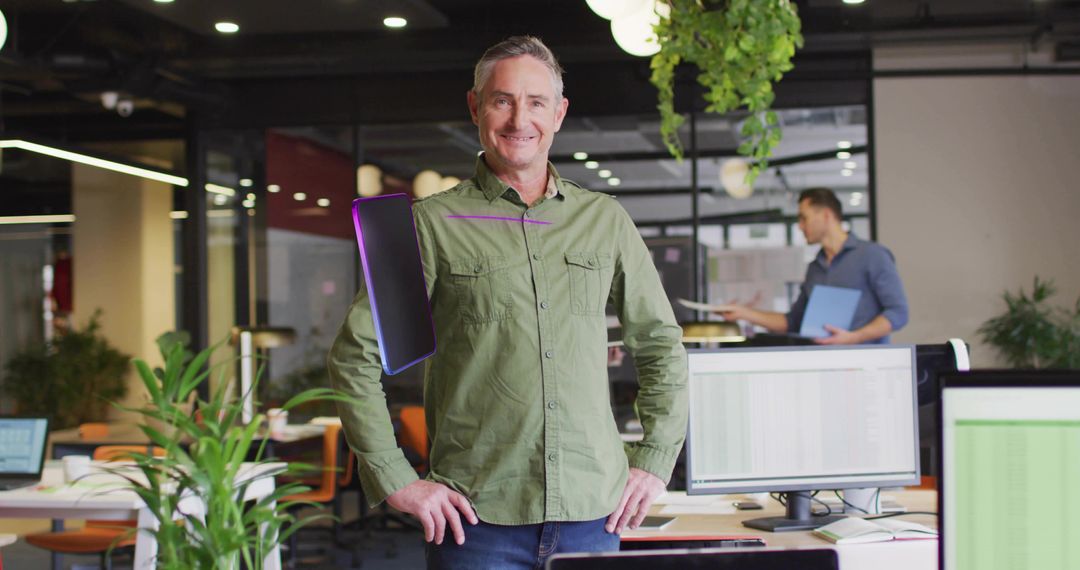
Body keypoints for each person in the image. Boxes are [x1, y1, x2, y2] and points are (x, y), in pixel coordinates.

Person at [328, 36, 688, 569]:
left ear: (559, 113)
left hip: (594, 513)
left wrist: (656, 458)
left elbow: (660, 343)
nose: (520, 118)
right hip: (476, 523)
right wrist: (395, 477)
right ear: (475, 107)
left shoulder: (604, 219)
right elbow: (353, 357)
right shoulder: (426, 225)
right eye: (502, 99)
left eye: (537, 102)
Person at [719, 188, 908, 344]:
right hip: (824, 368)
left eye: (804, 218)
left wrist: (854, 337)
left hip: (867, 368)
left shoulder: (872, 255)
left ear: (826, 215)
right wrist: (744, 313)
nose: (800, 226)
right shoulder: (815, 268)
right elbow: (793, 322)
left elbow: (898, 313)